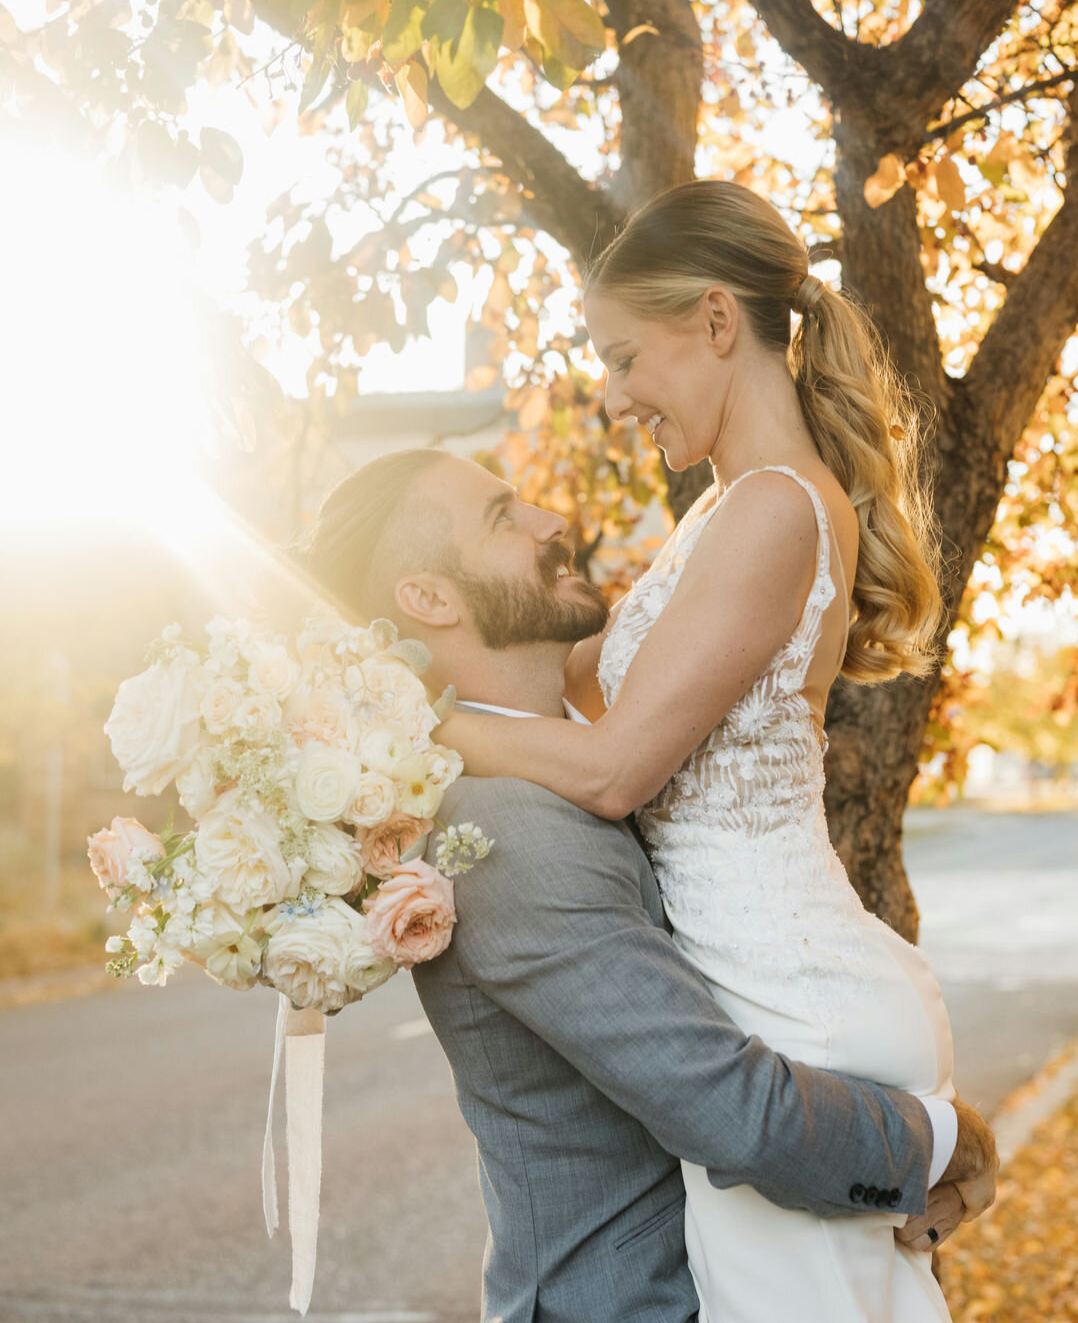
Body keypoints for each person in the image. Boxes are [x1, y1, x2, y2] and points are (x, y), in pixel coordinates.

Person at [301, 446, 996, 1323]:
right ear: (430, 598)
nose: (552, 522)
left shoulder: (591, 757)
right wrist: (939, 1143)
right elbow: (731, 1111)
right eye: (501, 518)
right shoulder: (505, 829)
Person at [435, 179, 965, 1321]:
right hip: (763, 981)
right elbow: (566, 686)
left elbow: (618, 769)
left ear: (718, 321)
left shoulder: (775, 506)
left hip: (788, 997)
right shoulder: (719, 515)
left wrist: (419, 732)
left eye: (628, 358)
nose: (619, 397)